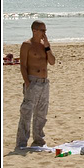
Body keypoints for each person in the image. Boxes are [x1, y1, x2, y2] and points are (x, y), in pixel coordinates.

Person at [16, 20, 56, 148]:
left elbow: (52, 62)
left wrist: (47, 47)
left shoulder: (44, 45)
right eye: (43, 30)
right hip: (33, 81)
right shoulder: (27, 45)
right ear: (34, 31)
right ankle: (22, 142)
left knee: (41, 113)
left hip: (44, 83)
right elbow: (23, 65)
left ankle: (38, 140)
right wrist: (27, 82)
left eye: (45, 30)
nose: (45, 33)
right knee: (27, 112)